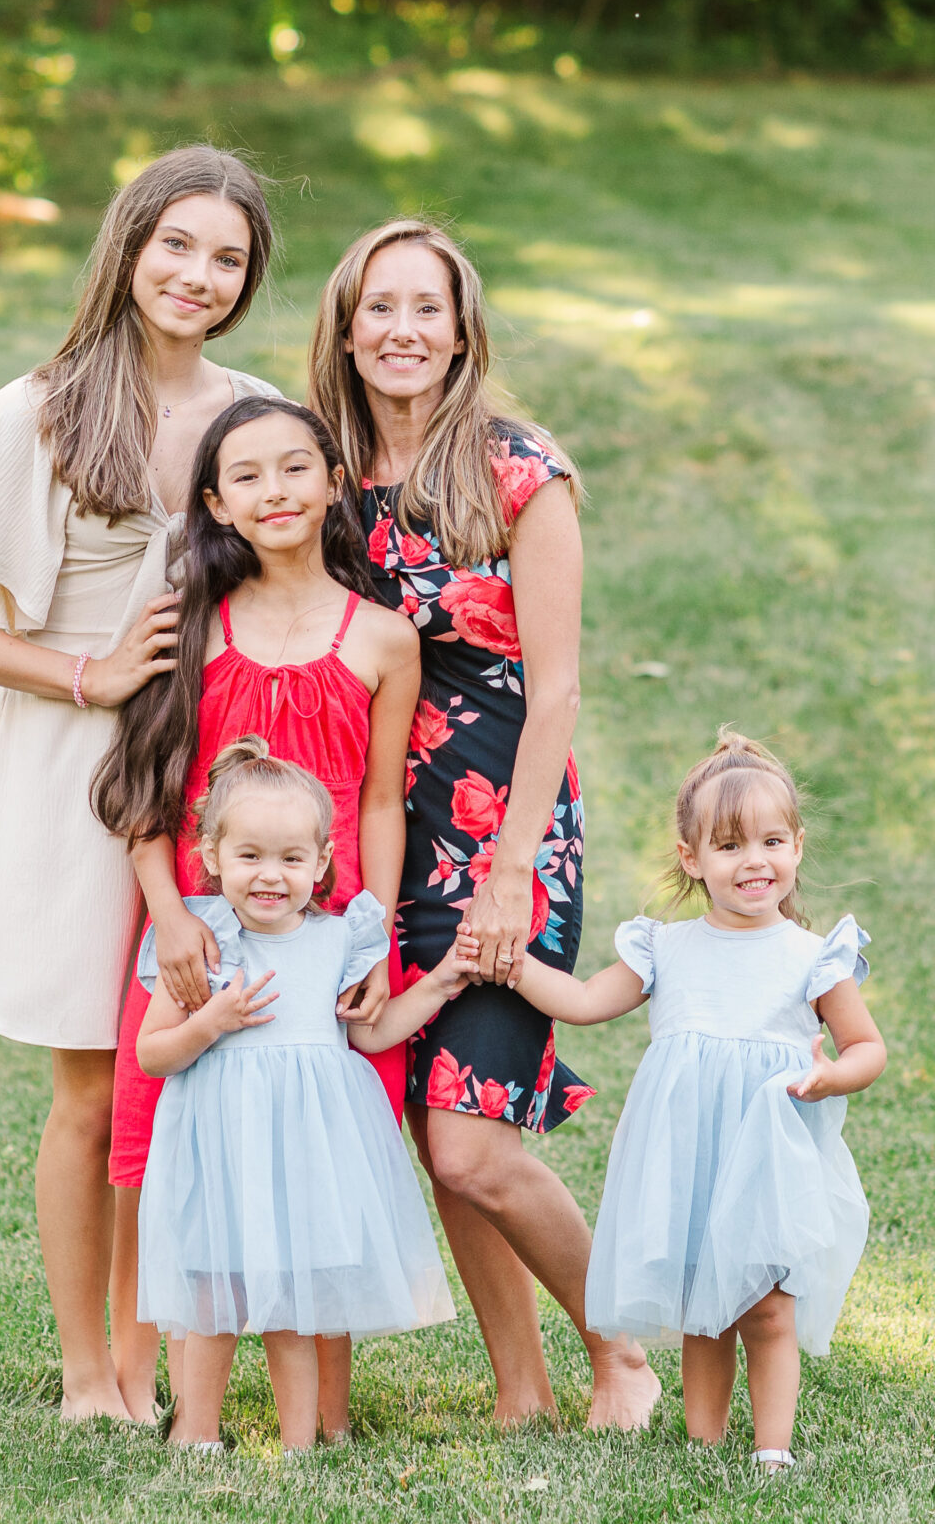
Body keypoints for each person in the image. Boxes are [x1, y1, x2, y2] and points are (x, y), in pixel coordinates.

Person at [0, 146, 280, 1421]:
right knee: (93, 1081)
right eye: (178, 245)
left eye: (226, 258)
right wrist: (85, 675)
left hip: (218, 787)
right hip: (74, 769)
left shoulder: (254, 413)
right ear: (128, 246)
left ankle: (156, 1346)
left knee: (181, 1073)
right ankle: (87, 1372)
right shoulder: (41, 409)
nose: (198, 276)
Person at [307, 217, 659, 1430]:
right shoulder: (329, 478)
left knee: (471, 1138)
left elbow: (554, 687)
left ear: (462, 330)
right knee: (430, 1114)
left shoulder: (519, 469)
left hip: (507, 831)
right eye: (379, 308)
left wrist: (511, 869)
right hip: (379, 836)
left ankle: (620, 1349)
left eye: (426, 308)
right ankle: (521, 1391)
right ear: (345, 329)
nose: (403, 331)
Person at [92, 396, 422, 1426]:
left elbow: (378, 800)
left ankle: (322, 1407)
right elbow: (143, 785)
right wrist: (169, 916)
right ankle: (147, 1386)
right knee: (171, 1148)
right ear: (214, 501)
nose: (274, 490)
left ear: (334, 480)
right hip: (200, 927)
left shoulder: (382, 635)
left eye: (295, 468)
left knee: (323, 1163)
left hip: (327, 936)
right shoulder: (187, 622)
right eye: (246, 474)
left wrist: (380, 933)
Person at [489, 731, 883, 1470]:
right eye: (730, 845)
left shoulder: (811, 956)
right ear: (691, 858)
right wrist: (512, 968)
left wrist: (832, 1075)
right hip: (690, 1151)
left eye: (771, 840)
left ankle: (772, 1449)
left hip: (766, 1150)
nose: (754, 861)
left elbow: (869, 1047)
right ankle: (704, 1442)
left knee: (767, 1303)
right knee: (707, 1305)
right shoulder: (666, 948)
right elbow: (578, 1001)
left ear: (797, 846)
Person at [131, 741, 468, 1451]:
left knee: (297, 1301)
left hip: (309, 1148)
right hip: (222, 1148)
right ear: (213, 856)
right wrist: (208, 1022)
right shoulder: (204, 942)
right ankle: (197, 1435)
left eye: (291, 858)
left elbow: (371, 1036)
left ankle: (301, 1444)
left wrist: (435, 985)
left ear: (320, 863)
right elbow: (151, 1052)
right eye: (250, 855)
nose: (270, 875)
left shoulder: (339, 939)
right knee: (213, 1297)